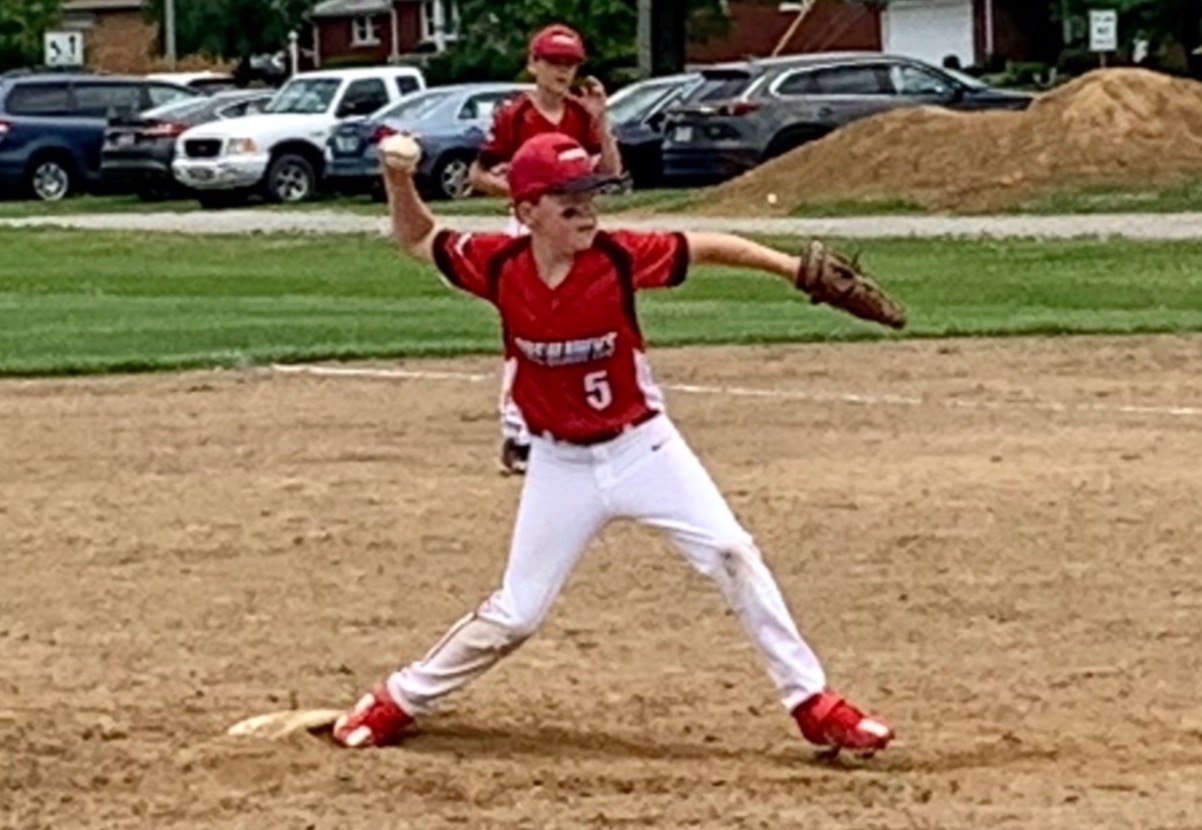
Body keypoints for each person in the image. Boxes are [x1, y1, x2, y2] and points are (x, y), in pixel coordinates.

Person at [330, 130, 897, 759]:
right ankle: (398, 699)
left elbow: (708, 245)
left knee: (733, 551)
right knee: (517, 613)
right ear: (526, 211)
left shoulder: (619, 258)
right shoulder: (498, 264)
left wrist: (791, 269)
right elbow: (417, 238)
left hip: (643, 448)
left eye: (591, 195)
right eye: (568, 200)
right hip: (560, 464)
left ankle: (813, 702)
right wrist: (398, 178)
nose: (587, 210)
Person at [468, 23, 625, 476]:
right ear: (533, 64)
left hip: (577, 230)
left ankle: (581, 422)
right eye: (553, 62)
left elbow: (610, 173)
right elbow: (478, 175)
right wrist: (528, 196)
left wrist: (601, 121)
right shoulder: (515, 116)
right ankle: (519, 432)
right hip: (529, 232)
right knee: (527, 326)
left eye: (570, 63)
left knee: (582, 322)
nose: (562, 71)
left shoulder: (579, 114)